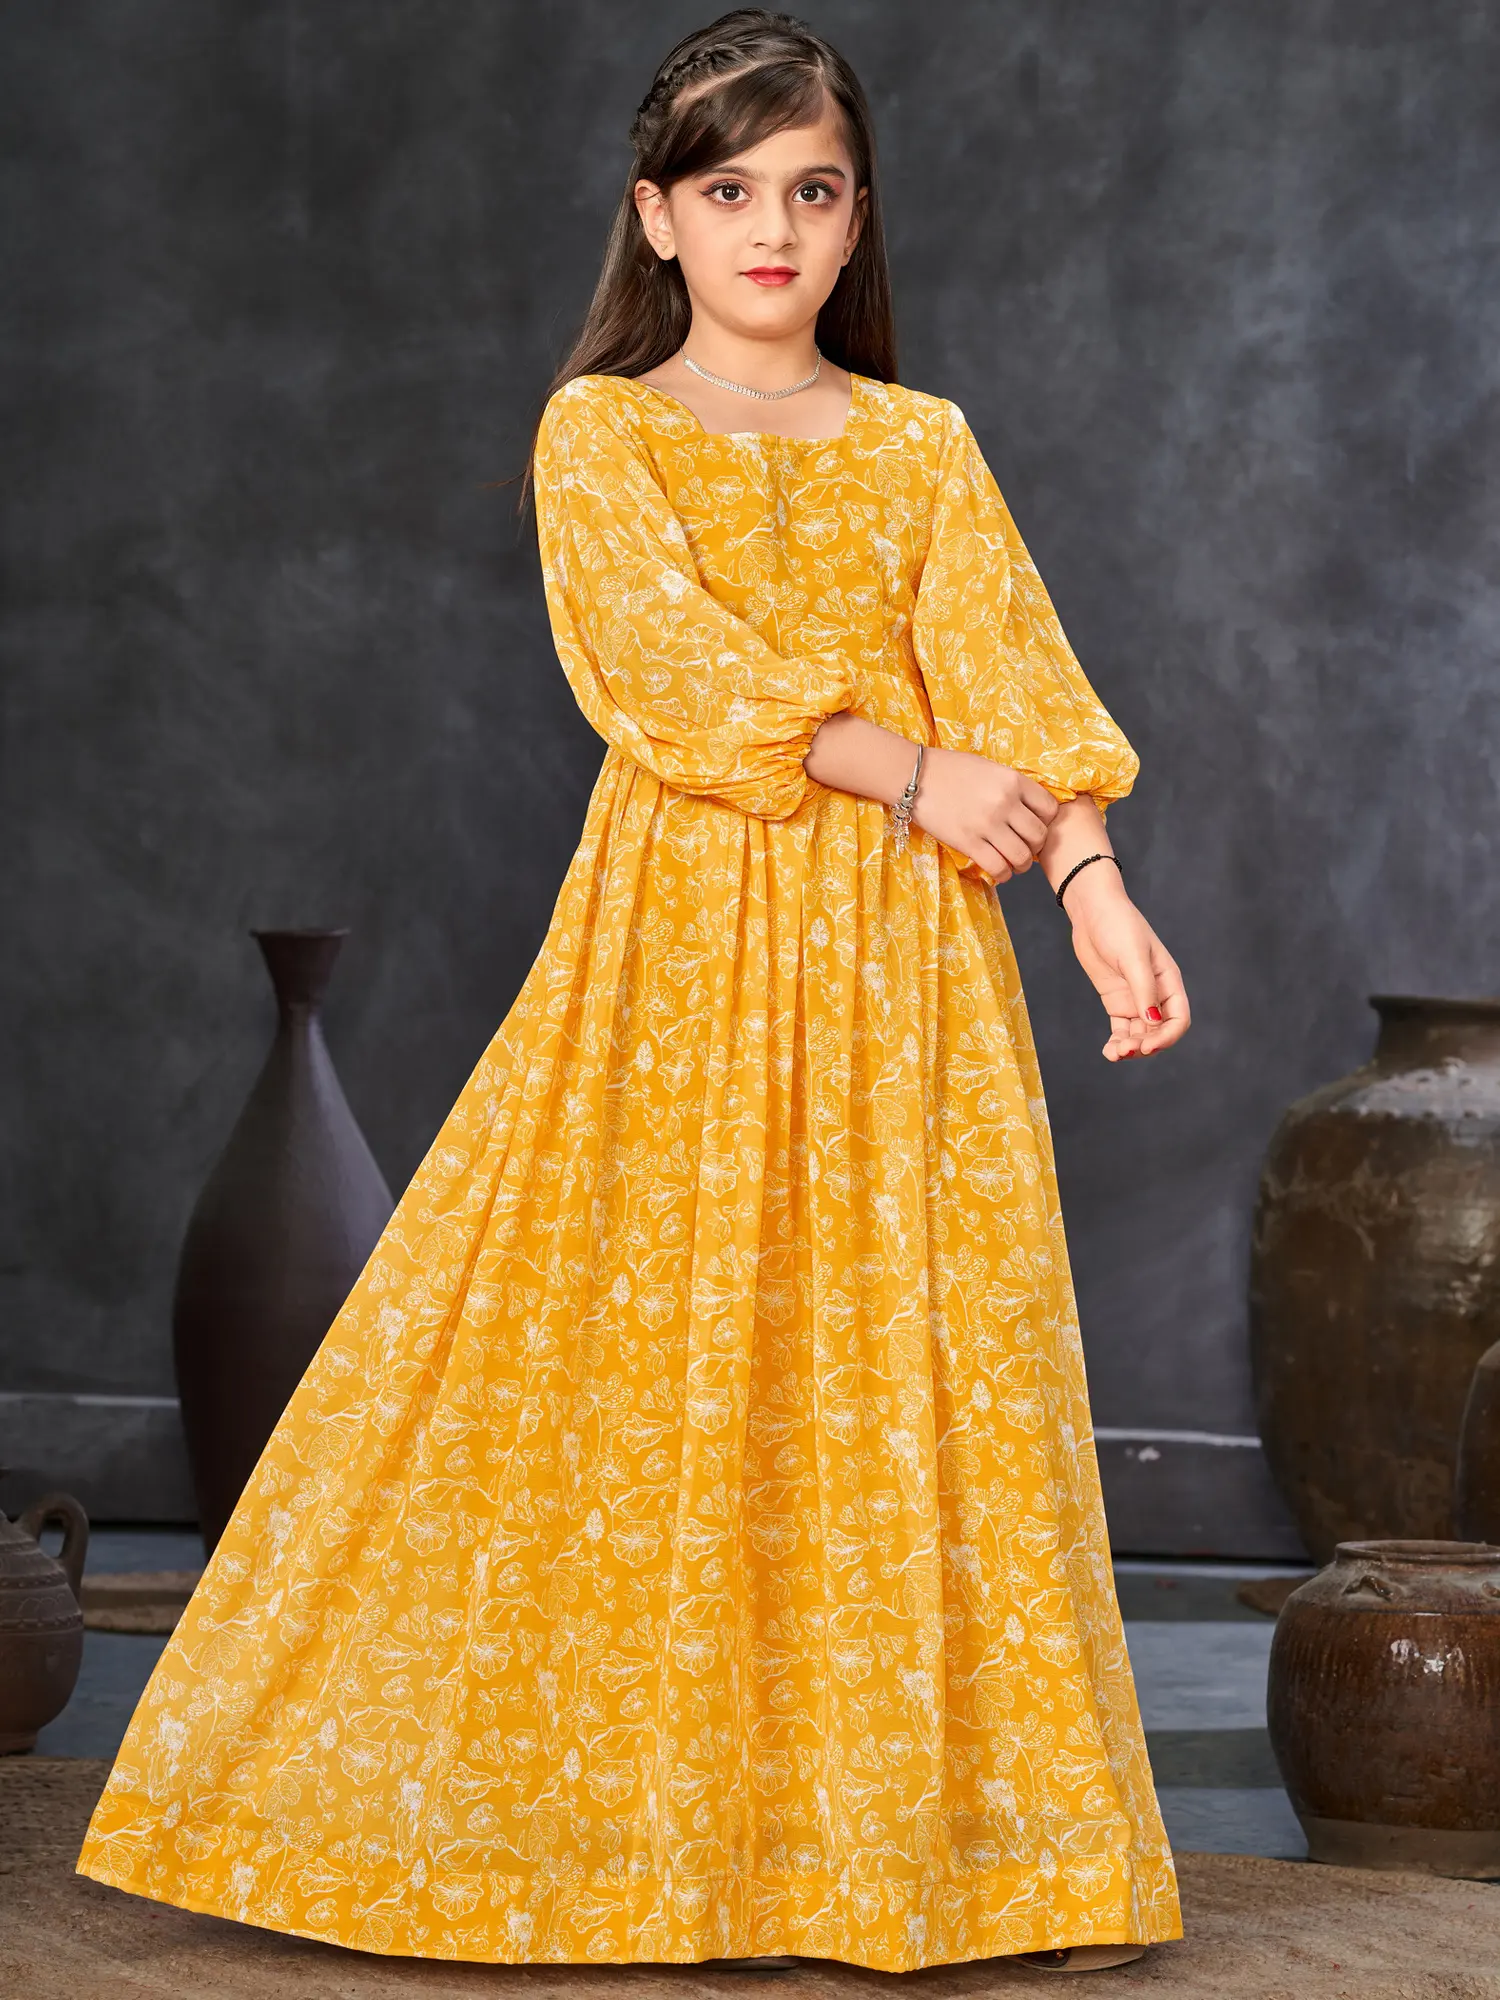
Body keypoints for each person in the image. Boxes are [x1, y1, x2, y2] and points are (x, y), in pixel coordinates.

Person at [76, 8, 1189, 1977]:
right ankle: (612, 1842)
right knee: (633, 1367)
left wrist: (1095, 893)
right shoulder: (600, 433)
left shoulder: (923, 447)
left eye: (815, 191)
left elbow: (1019, 689)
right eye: (731, 190)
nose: (775, 229)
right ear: (659, 217)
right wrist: (908, 770)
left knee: (889, 1379)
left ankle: (874, 1855)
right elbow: (663, 674)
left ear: (858, 220)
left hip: (906, 981)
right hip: (676, 971)